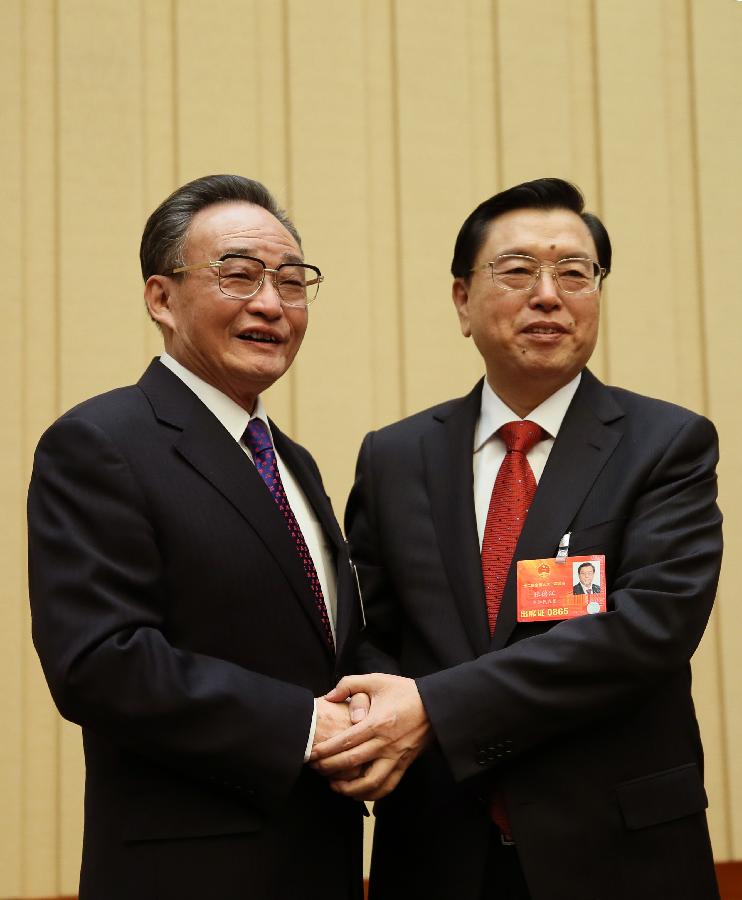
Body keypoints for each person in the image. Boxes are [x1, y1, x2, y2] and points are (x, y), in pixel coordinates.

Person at [310, 178, 722, 899]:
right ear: (462, 301)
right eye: (518, 270)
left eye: (574, 273)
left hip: (616, 851)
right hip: (438, 848)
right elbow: (368, 631)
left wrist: (435, 709)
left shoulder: (667, 444)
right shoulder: (395, 456)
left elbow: (648, 629)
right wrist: (380, 709)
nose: (548, 295)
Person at [27, 175, 365, 900]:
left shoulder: (291, 461)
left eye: (291, 281)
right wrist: (304, 726)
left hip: (321, 864)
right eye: (238, 275)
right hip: (187, 869)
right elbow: (100, 661)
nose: (271, 304)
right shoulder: (101, 442)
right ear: (161, 297)